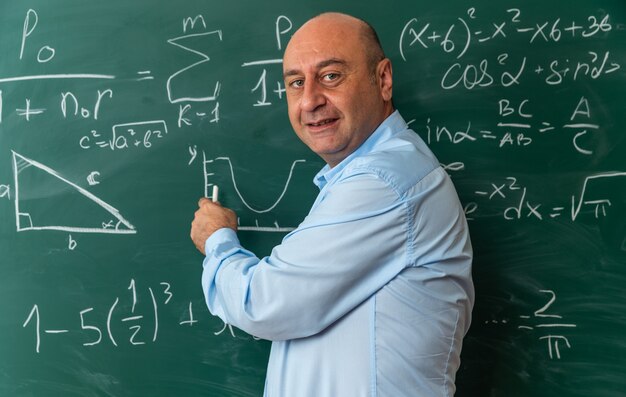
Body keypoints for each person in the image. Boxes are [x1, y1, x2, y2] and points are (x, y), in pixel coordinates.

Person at [190, 12, 474, 397]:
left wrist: (218, 242)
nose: (309, 100)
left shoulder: (385, 181)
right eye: (295, 82)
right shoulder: (376, 175)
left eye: (331, 76)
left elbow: (263, 302)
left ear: (383, 80)